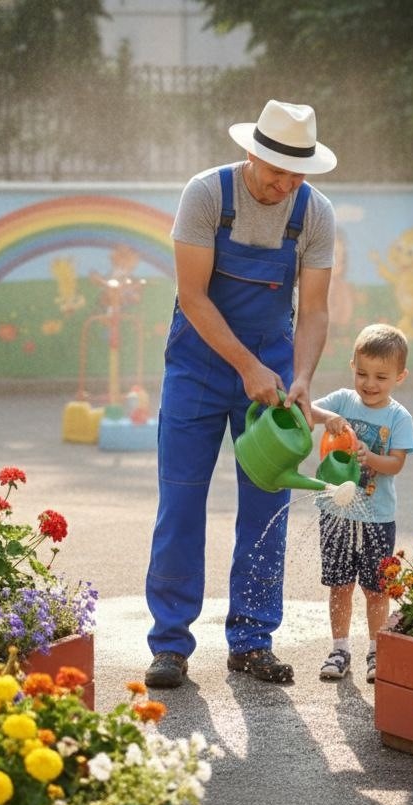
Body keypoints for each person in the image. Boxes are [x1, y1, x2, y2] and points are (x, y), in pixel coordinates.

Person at [144, 99, 338, 688]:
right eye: (276, 169)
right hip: (198, 366)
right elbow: (194, 297)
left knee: (266, 506)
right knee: (180, 502)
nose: (285, 183)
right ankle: (171, 645)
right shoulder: (206, 195)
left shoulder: (315, 213)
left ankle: (252, 639)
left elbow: (315, 310)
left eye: (297, 172)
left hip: (273, 373)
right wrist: (247, 365)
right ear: (250, 153)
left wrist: (301, 376)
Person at [311, 324, 413, 683]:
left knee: (375, 589)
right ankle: (339, 649)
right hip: (334, 512)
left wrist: (370, 457)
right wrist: (328, 418)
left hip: (376, 516)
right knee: (340, 585)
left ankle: (376, 650)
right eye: (362, 373)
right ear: (352, 366)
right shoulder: (342, 400)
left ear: (400, 376)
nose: (369, 383)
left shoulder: (398, 417)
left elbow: (396, 464)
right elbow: (305, 410)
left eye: (381, 377)